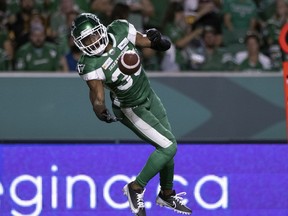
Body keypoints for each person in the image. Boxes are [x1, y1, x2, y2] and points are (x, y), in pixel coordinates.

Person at [71, 13, 192, 216]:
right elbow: (97, 96)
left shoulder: (119, 29)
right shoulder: (90, 64)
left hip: (149, 96)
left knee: (166, 149)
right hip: (129, 107)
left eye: (92, 36)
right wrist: (99, 110)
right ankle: (136, 187)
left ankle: (166, 194)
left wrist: (158, 39)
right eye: (86, 40)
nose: (92, 42)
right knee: (169, 146)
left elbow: (158, 45)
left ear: (100, 28)